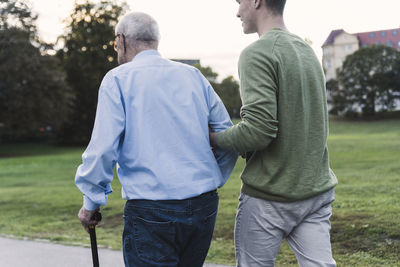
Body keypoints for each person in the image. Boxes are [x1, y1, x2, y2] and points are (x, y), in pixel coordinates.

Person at [75, 12, 238, 267]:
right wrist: (213, 177)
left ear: (121, 40)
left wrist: (90, 203)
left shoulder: (117, 79)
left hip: (152, 211)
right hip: (203, 206)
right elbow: (228, 135)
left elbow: (103, 149)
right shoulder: (193, 76)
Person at [209, 0, 338, 266]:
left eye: (239, 2)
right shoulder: (307, 51)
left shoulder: (256, 53)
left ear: (256, 1)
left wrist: (214, 139)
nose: (237, 12)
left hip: (269, 199)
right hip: (314, 192)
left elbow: (259, 131)